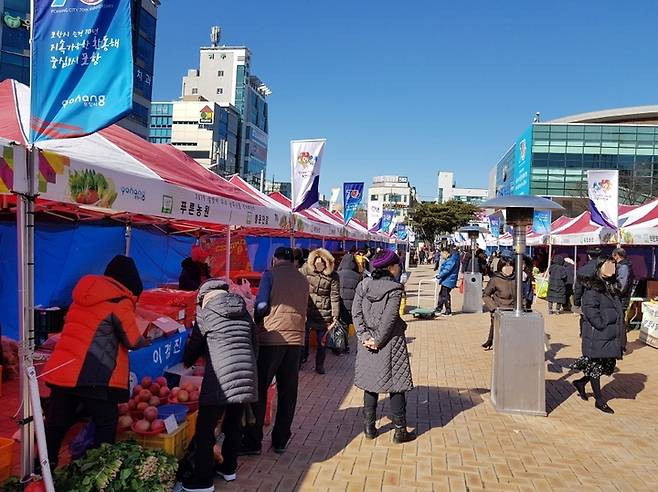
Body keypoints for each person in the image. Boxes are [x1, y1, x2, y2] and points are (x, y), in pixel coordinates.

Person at [43, 255, 147, 467]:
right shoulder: (120, 301)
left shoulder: (82, 296)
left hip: (64, 370)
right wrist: (147, 338)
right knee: (106, 422)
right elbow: (133, 340)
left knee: (56, 424)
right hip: (95, 373)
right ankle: (99, 470)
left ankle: (43, 468)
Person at [179, 280, 258, 491]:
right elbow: (254, 344)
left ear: (205, 298)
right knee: (233, 424)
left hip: (220, 378)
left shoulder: (205, 314)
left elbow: (193, 348)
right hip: (246, 374)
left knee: (205, 428)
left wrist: (187, 360)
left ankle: (203, 481)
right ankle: (229, 468)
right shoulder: (243, 312)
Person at [241, 247, 309, 455]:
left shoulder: (269, 275)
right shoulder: (302, 279)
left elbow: (261, 305)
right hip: (296, 339)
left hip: (271, 337)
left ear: (274, 260)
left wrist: (257, 320)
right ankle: (280, 440)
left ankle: (253, 441)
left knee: (260, 389)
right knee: (288, 391)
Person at [352, 250, 415, 444]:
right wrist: (377, 340)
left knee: (370, 385)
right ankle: (399, 431)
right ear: (391, 267)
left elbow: (356, 312)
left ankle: (369, 428)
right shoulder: (395, 289)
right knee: (396, 385)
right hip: (390, 343)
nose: (399, 269)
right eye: (397, 266)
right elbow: (389, 320)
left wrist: (364, 336)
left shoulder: (363, 285)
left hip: (367, 342)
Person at [571, 257, 625, 414]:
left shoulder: (611, 286)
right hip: (597, 333)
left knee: (606, 364)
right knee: (596, 366)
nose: (611, 269)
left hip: (609, 334)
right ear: (599, 268)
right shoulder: (593, 288)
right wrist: (604, 322)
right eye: (607, 265)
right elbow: (590, 310)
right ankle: (599, 400)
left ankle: (581, 383)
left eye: (613, 266)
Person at [300, 248, 340, 374]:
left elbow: (334, 296)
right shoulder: (305, 269)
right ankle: (301, 360)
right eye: (316, 263)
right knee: (302, 339)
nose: (318, 266)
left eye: (321, 264)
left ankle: (319, 365)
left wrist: (335, 314)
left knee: (321, 341)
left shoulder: (333, 276)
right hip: (306, 310)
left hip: (324, 313)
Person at [481, 256, 516, 350]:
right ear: (501, 267)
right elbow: (485, 295)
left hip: (513, 311)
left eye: (511, 266)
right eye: (505, 266)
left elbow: (521, 295)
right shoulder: (495, 280)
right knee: (496, 328)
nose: (508, 269)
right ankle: (491, 342)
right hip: (499, 310)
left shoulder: (516, 279)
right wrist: (494, 308)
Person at [337, 253, 363, 354]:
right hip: (351, 304)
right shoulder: (357, 276)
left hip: (339, 304)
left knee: (340, 325)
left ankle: (340, 346)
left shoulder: (337, 274)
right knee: (347, 325)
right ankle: (346, 345)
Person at [434, 247, 460, 316]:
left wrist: (439, 276)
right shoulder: (451, 259)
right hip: (447, 280)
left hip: (448, 280)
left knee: (445, 296)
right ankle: (439, 309)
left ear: (446, 253)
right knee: (442, 294)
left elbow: (447, 270)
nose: (441, 256)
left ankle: (448, 311)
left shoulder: (451, 260)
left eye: (442, 254)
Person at [612, 247, 635, 313]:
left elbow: (621, 286)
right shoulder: (624, 265)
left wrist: (614, 292)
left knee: (619, 318)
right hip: (621, 299)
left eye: (613, 256)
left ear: (617, 255)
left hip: (621, 299)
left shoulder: (623, 267)